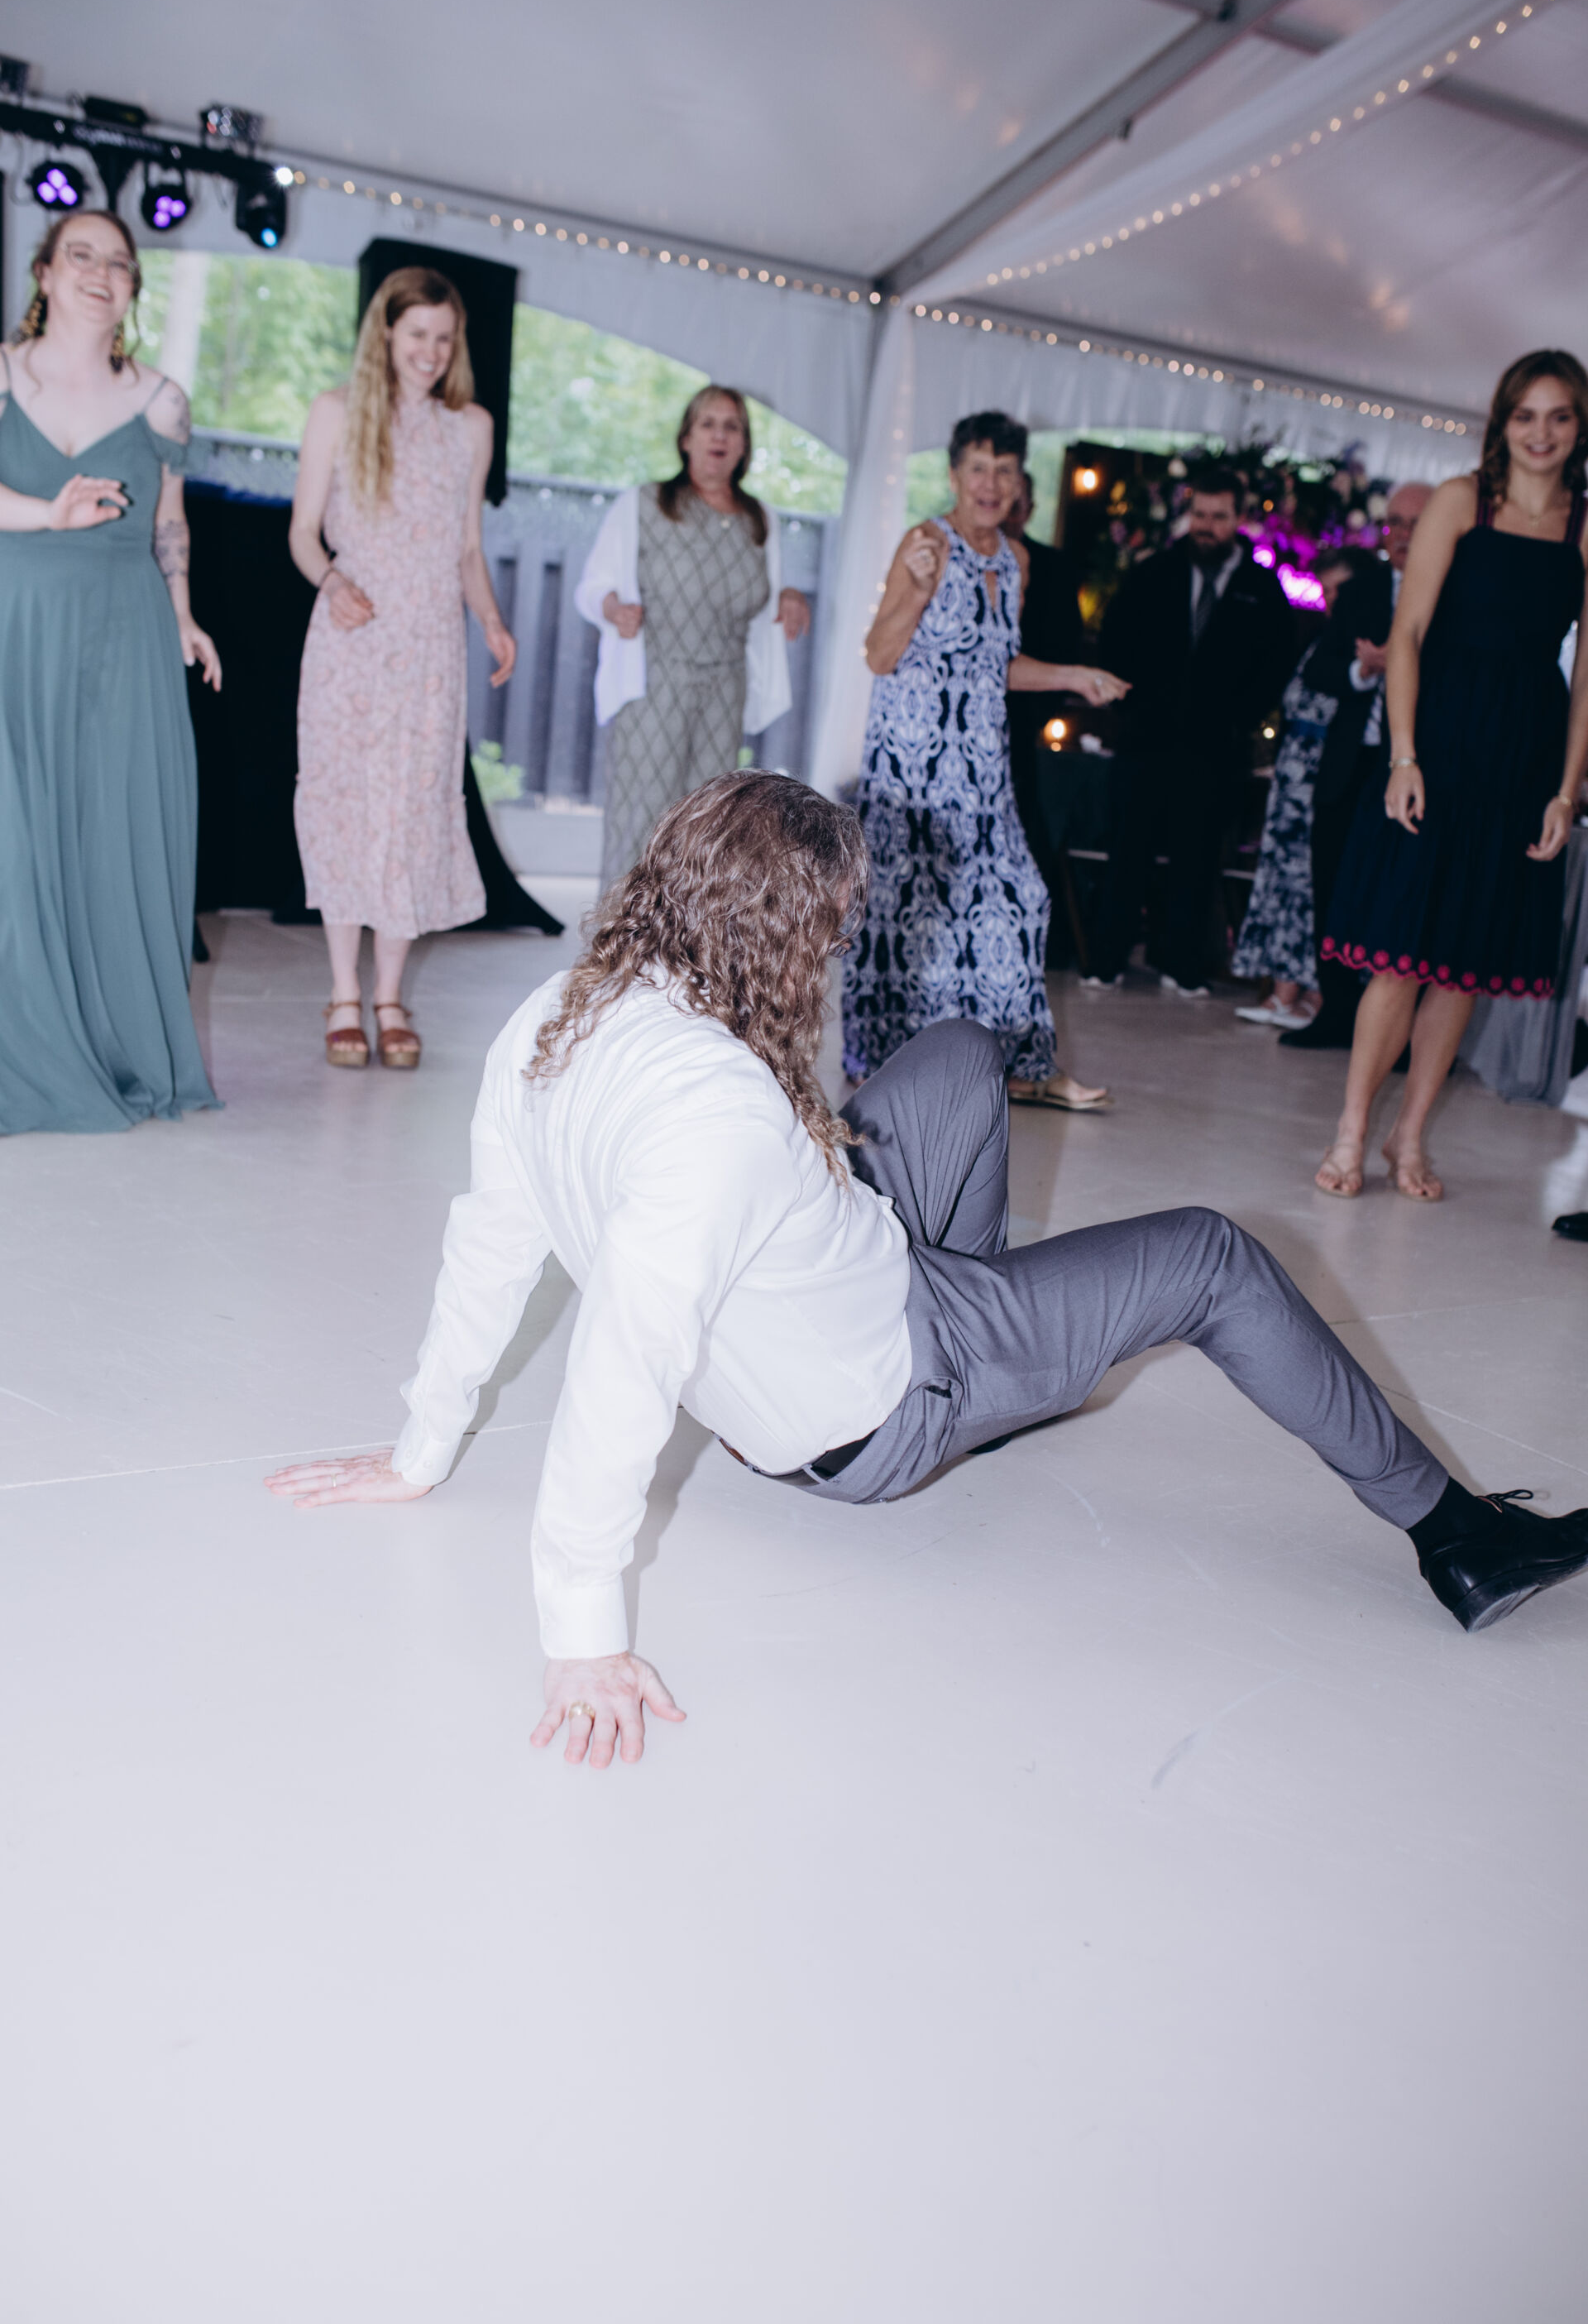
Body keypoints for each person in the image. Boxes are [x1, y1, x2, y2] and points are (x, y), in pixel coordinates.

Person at [266, 771, 1588, 1766]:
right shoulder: (724, 1120)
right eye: (832, 931)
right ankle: (1457, 1539)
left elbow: (492, 1235)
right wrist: (580, 1635)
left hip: (833, 1310)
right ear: (782, 937)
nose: (838, 950)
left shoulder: (552, 1013)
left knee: (959, 1051)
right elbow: (621, 1358)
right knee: (1213, 1253)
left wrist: (422, 1447)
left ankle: (1011, 1358)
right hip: (890, 1401)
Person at [1316, 353, 1588, 1201]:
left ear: (1579, 427)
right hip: (1438, 738)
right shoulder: (1461, 501)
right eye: (1526, 415)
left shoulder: (1585, 524)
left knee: (1463, 962)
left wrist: (1566, 789)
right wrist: (1404, 755)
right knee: (1400, 953)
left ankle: (1409, 1136)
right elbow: (1408, 634)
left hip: (1524, 752)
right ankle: (1351, 1131)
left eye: (1560, 416)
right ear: (1502, 421)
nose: (1541, 433)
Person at [0, 209, 221, 1136]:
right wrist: (48, 515)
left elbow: (170, 520)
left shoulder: (162, 400)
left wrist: (183, 616)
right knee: (15, 838)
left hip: (124, 632)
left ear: (132, 288)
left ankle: (113, 1040)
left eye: (120, 263)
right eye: (81, 255)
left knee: (109, 832)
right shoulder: (1, 373)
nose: (101, 272)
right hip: (16, 624)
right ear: (45, 273)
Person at [843, 411, 1125, 1106]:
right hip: (913, 765)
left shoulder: (1015, 559)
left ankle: (1020, 1066)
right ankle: (880, 1060)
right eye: (978, 469)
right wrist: (916, 590)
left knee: (1020, 898)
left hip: (981, 763)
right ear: (954, 475)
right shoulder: (926, 542)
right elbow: (879, 655)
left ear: (1020, 482)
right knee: (906, 910)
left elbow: (993, 663)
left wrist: (1074, 675)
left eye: (1004, 471)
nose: (990, 484)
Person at [290, 266, 516, 1072]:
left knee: (412, 811)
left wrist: (491, 621)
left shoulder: (470, 427)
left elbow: (467, 549)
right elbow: (303, 534)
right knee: (348, 806)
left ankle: (389, 997)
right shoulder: (336, 412)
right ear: (385, 332)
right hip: (352, 639)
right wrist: (332, 581)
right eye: (417, 333)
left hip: (429, 647)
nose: (431, 351)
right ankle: (342, 994)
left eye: (444, 338)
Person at [574, 384, 810, 893]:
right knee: (639, 822)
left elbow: (766, 593)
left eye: (732, 427)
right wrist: (612, 608)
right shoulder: (644, 504)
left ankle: (685, 941)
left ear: (744, 445)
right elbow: (591, 587)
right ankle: (616, 938)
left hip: (726, 689)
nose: (719, 436)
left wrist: (789, 593)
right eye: (708, 424)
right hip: (654, 683)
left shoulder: (761, 519)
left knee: (705, 832)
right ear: (686, 438)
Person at [1088, 462, 1300, 997]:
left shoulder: (1262, 588)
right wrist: (1130, 708)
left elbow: (1277, 665)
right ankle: (1106, 958)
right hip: (1145, 740)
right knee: (1127, 852)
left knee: (1198, 858)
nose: (1207, 527)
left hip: (1215, 749)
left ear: (1239, 519)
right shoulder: (1152, 573)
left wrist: (1239, 720)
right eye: (1200, 515)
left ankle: (1181, 962)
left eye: (1218, 517)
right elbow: (1114, 641)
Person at [1279, 487, 1434, 1052]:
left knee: (1408, 897)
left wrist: (1409, 662)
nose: (1404, 535)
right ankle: (1335, 1012)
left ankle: (1403, 1034)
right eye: (1395, 523)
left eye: (1417, 523)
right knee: (1333, 887)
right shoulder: (1363, 590)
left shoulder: (1453, 592)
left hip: (1419, 767)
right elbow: (1320, 668)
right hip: (1353, 763)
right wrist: (1364, 669)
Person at [1230, 549, 1361, 1028]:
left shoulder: (1365, 641)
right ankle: (1283, 988)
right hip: (1293, 775)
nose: (1331, 600)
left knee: (1316, 883)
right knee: (1284, 880)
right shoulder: (1319, 637)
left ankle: (1317, 993)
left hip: (1329, 775)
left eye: (1341, 590)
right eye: (1326, 590)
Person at [1000, 467, 1091, 942]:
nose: (1007, 513)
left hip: (1023, 720)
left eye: (1017, 504)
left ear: (1030, 510)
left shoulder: (1052, 567)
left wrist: (1039, 714)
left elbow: (1064, 644)